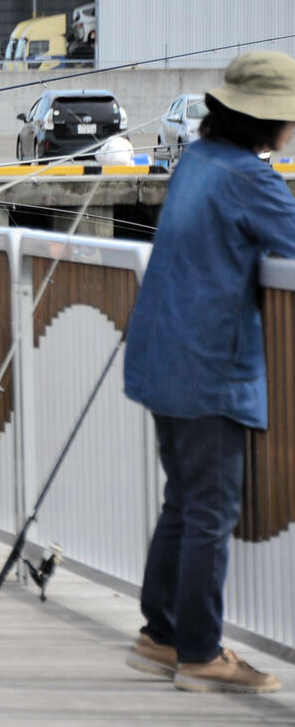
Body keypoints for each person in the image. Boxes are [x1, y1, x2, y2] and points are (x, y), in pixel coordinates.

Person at [122, 51, 295, 695]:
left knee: (185, 501)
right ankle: (199, 652)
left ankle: (160, 634)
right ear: (269, 120)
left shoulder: (197, 161)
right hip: (208, 368)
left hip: (164, 357)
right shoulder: (251, 179)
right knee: (210, 513)